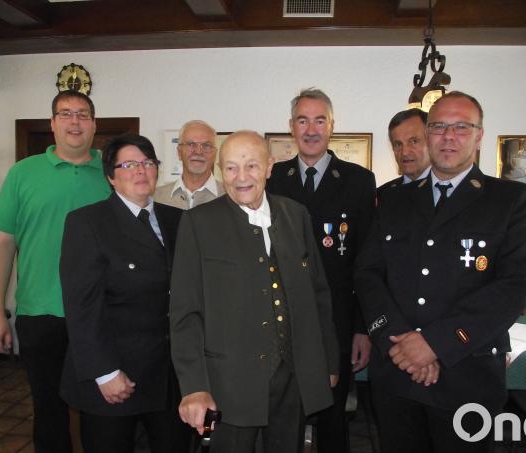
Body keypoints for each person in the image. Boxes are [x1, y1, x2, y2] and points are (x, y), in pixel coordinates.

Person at [354, 91, 526, 452]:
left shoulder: (511, 200)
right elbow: (368, 273)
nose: (448, 136)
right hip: (396, 373)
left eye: (461, 127)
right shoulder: (393, 198)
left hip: (467, 375)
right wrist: (402, 345)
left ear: (479, 135)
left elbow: (515, 287)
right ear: (428, 134)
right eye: (439, 126)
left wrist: (435, 344)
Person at [170, 130, 340, 453]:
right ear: (221, 171)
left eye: (251, 166)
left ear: (269, 167)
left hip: (293, 381)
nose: (241, 177)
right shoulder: (197, 223)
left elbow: (318, 294)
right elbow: (185, 313)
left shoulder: (296, 215)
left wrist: (328, 362)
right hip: (228, 384)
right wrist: (194, 387)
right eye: (231, 167)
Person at [0, 90, 111, 452]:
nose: (74, 122)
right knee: (48, 411)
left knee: (102, 410)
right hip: (40, 313)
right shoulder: (23, 174)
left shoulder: (113, 172)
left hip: (100, 314)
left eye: (83, 114)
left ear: (94, 124)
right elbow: (0, 245)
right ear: (52, 123)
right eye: (66, 114)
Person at [59, 133, 190, 453]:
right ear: (111, 176)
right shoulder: (87, 222)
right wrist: (104, 373)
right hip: (116, 375)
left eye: (147, 162)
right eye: (129, 164)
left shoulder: (179, 220)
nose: (140, 170)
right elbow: (82, 306)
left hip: (169, 377)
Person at [266, 88, 375, 453]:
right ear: (291, 127)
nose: (310, 129)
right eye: (302, 120)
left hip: (337, 322)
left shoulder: (359, 181)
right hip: (281, 320)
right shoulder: (272, 178)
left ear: (332, 126)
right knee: (283, 417)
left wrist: (362, 327)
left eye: (319, 120)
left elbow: (366, 262)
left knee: (333, 421)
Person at [154, 120, 225, 209]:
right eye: (191, 144)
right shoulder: (157, 198)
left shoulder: (230, 197)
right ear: (179, 152)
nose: (198, 152)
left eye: (206, 145)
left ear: (215, 154)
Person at [376, 108, 431, 203]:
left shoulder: (446, 190)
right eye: (398, 144)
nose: (404, 152)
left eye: (414, 141)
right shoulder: (382, 195)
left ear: (431, 142)